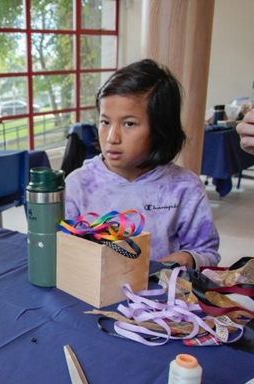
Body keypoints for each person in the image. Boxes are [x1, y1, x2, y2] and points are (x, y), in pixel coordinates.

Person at [65, 59, 220, 268]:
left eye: (129, 123)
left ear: (160, 128)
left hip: (159, 297)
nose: (112, 137)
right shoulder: (78, 184)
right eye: (105, 122)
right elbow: (64, 253)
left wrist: (188, 258)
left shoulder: (185, 188)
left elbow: (206, 252)